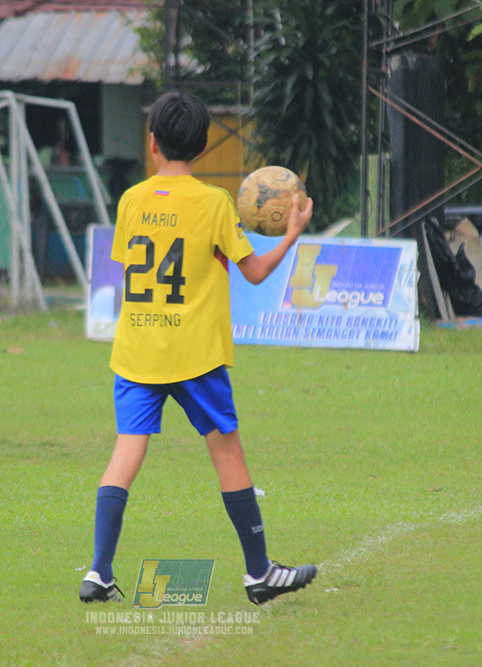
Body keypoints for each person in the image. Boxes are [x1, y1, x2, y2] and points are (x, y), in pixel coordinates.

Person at [79, 90, 318, 605]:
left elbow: (128, 269)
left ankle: (98, 571)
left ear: (152, 142)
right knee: (226, 451)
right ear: (204, 145)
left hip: (139, 349)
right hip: (195, 354)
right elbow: (253, 273)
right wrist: (291, 233)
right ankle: (259, 573)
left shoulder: (131, 200)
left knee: (126, 453)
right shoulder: (213, 203)